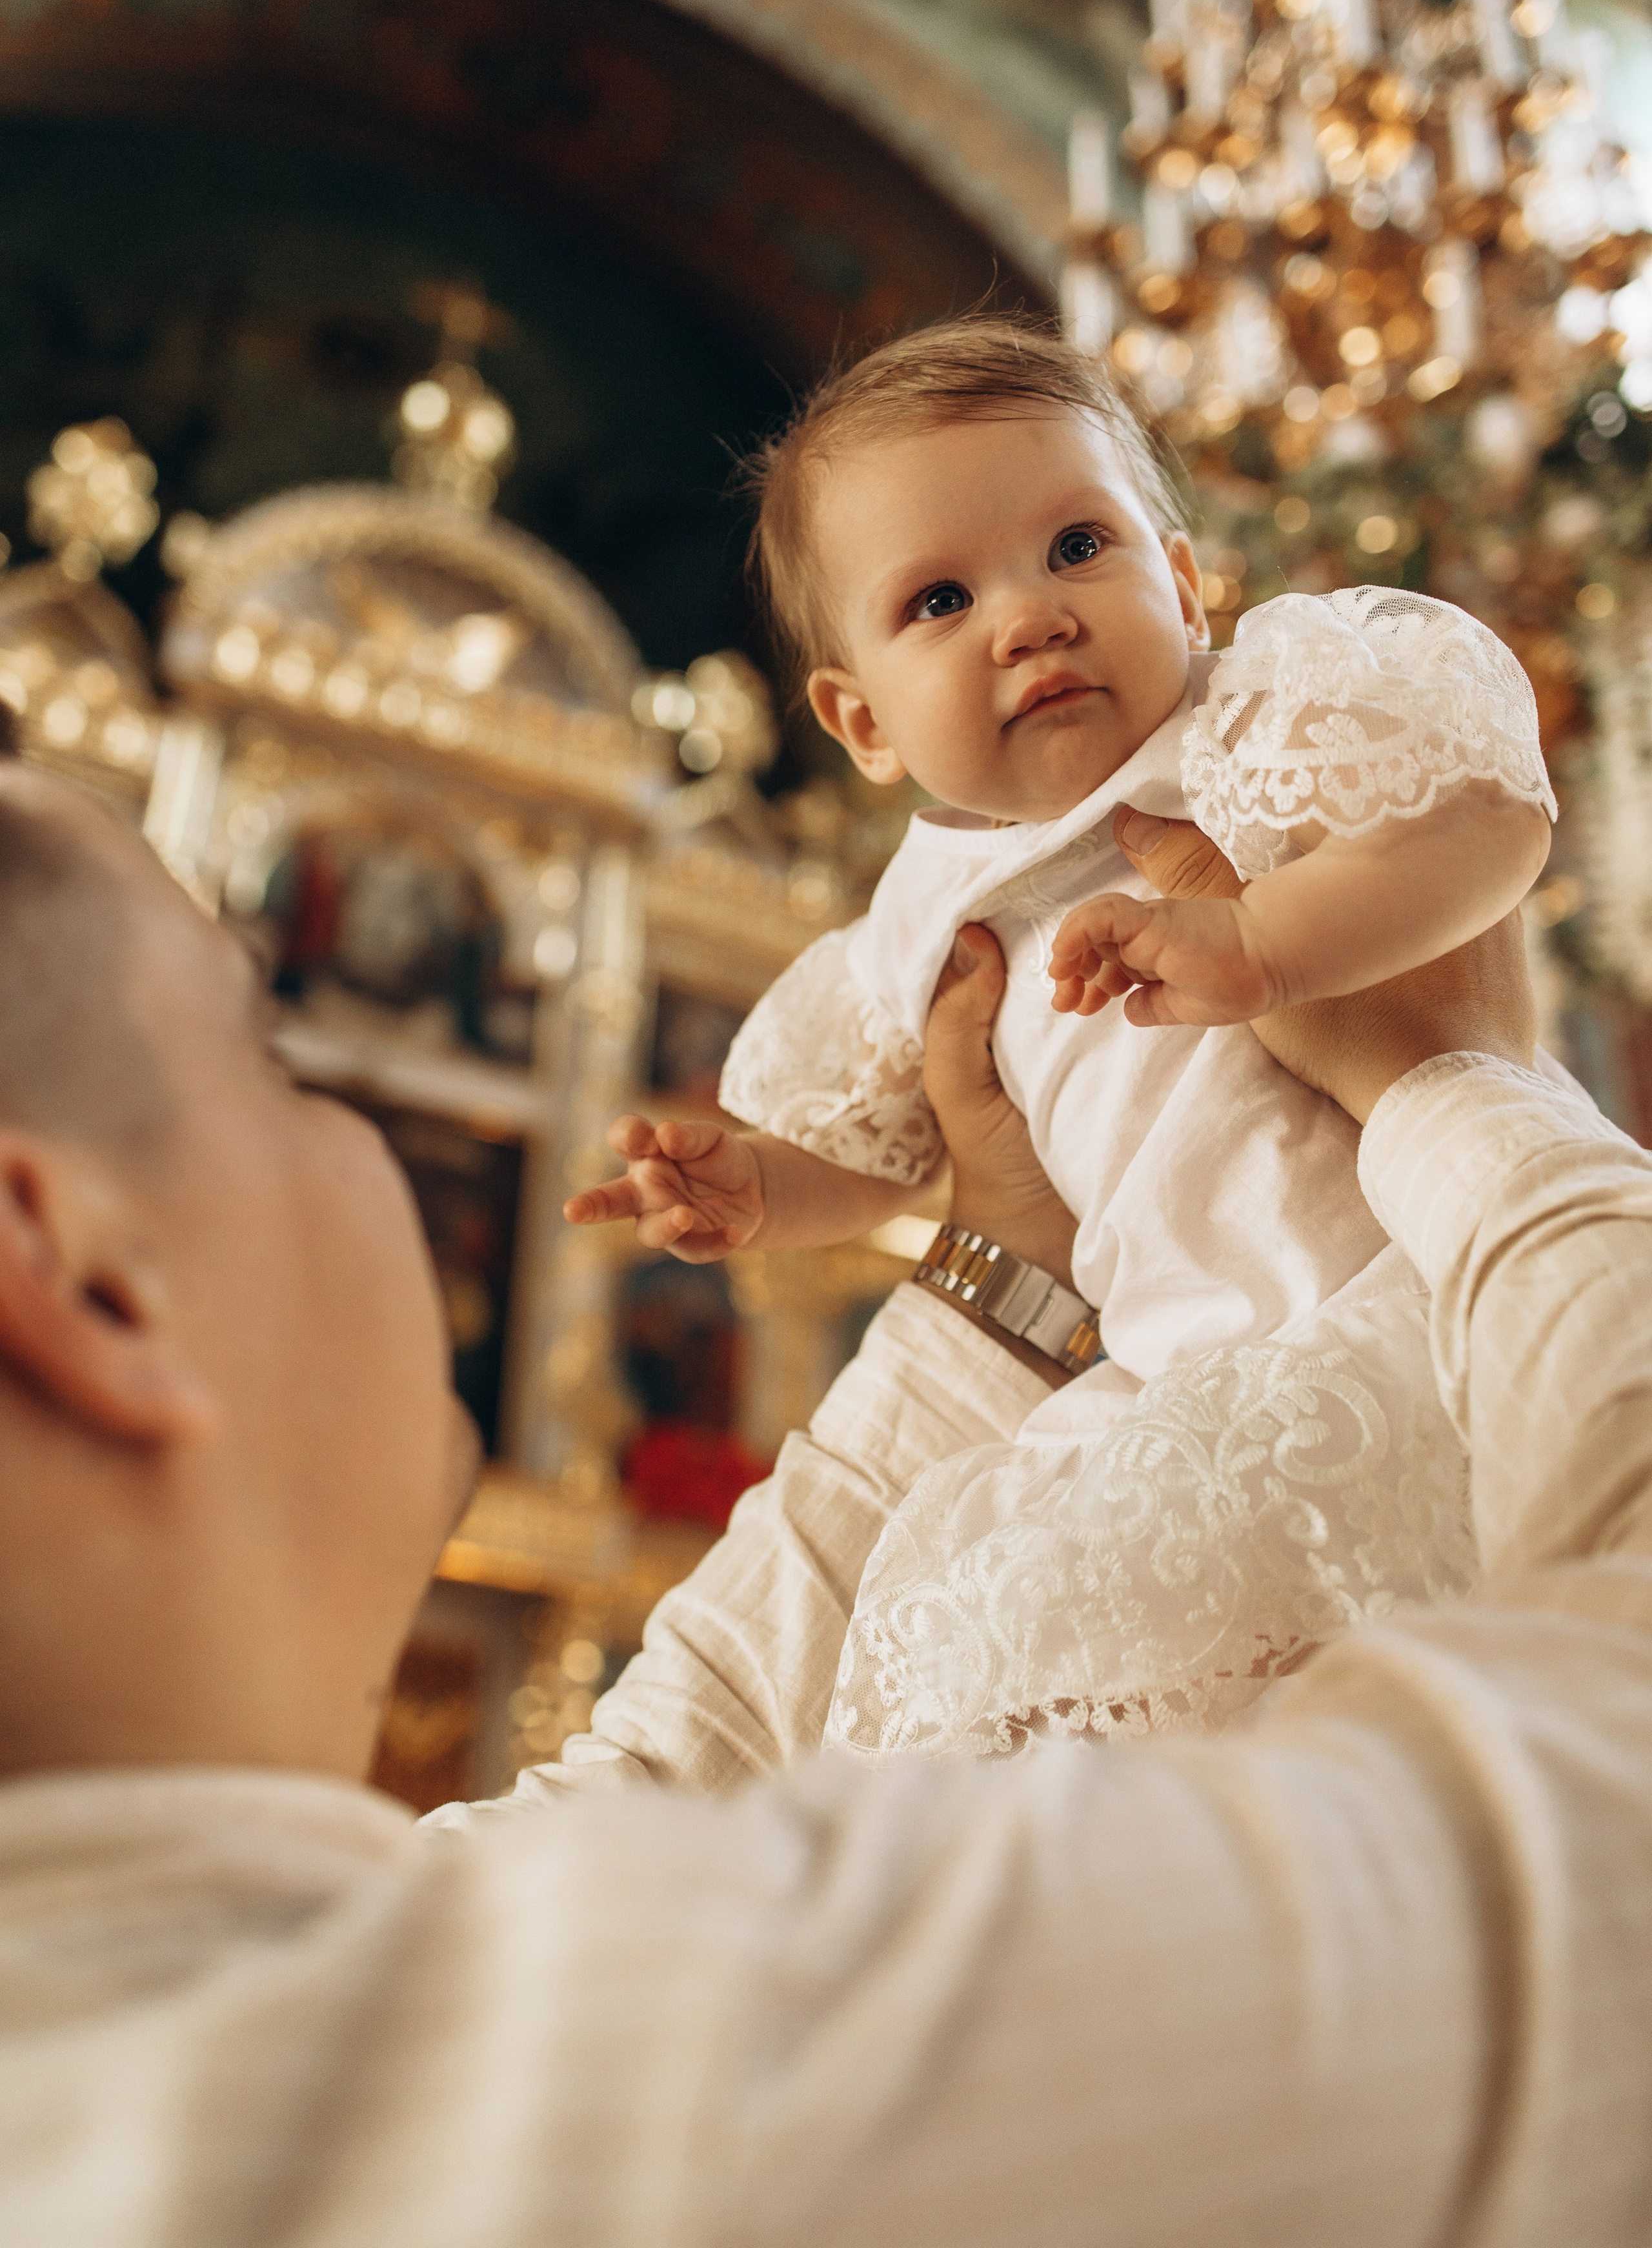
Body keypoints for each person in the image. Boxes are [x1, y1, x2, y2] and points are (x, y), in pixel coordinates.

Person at [9, 736, 1652, 2245]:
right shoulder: (662, 2099)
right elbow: (1604, 1875)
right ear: (85, 1281)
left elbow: (674, 1768)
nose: (359, 1140)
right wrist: (1464, 1090)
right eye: (275, 1062)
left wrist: (1003, 1273)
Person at [566, 316, 1555, 1758]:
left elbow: (1487, 822)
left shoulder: (1249, 729)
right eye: (939, 600)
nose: (1026, 617)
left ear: (1182, 577)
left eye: (1076, 547)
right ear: (859, 721)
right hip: (1179, 1380)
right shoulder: (921, 914)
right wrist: (769, 1189)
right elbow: (895, 1147)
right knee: (1062, 1670)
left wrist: (1268, 941)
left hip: (1407, 1291)